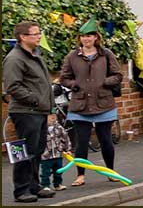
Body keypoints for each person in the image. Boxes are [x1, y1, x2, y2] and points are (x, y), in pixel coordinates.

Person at [58, 18, 123, 187]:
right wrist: (74, 85)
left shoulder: (106, 54)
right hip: (80, 105)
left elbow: (118, 75)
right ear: (80, 39)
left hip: (103, 103)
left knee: (106, 140)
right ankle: (80, 175)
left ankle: (111, 172)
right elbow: (64, 78)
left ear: (96, 37)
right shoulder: (72, 56)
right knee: (81, 142)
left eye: (90, 36)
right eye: (83, 36)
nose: (86, 39)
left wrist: (105, 82)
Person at [3, 21, 56, 202]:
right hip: (25, 111)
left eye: (39, 33)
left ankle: (34, 185)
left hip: (38, 111)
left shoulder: (35, 55)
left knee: (37, 150)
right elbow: (12, 86)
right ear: (23, 37)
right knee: (23, 151)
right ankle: (21, 190)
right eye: (35, 34)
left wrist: (46, 104)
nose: (39, 36)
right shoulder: (15, 58)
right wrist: (35, 99)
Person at [39, 113, 71, 192]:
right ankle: (45, 185)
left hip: (58, 153)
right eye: (49, 116)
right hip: (46, 155)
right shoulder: (41, 129)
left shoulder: (59, 127)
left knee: (58, 171)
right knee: (45, 172)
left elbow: (65, 138)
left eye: (54, 115)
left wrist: (68, 149)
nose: (52, 117)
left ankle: (58, 184)